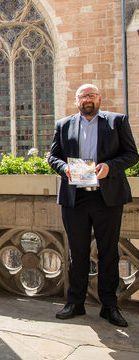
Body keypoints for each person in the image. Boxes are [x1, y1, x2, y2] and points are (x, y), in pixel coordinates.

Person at [48, 83, 139, 327]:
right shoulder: (64, 125)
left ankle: (109, 306)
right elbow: (51, 157)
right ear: (76, 101)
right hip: (75, 198)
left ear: (99, 98)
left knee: (109, 253)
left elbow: (132, 154)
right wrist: (65, 168)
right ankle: (75, 303)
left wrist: (109, 167)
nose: (87, 99)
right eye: (83, 96)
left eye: (91, 95)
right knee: (76, 253)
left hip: (106, 197)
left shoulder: (116, 121)